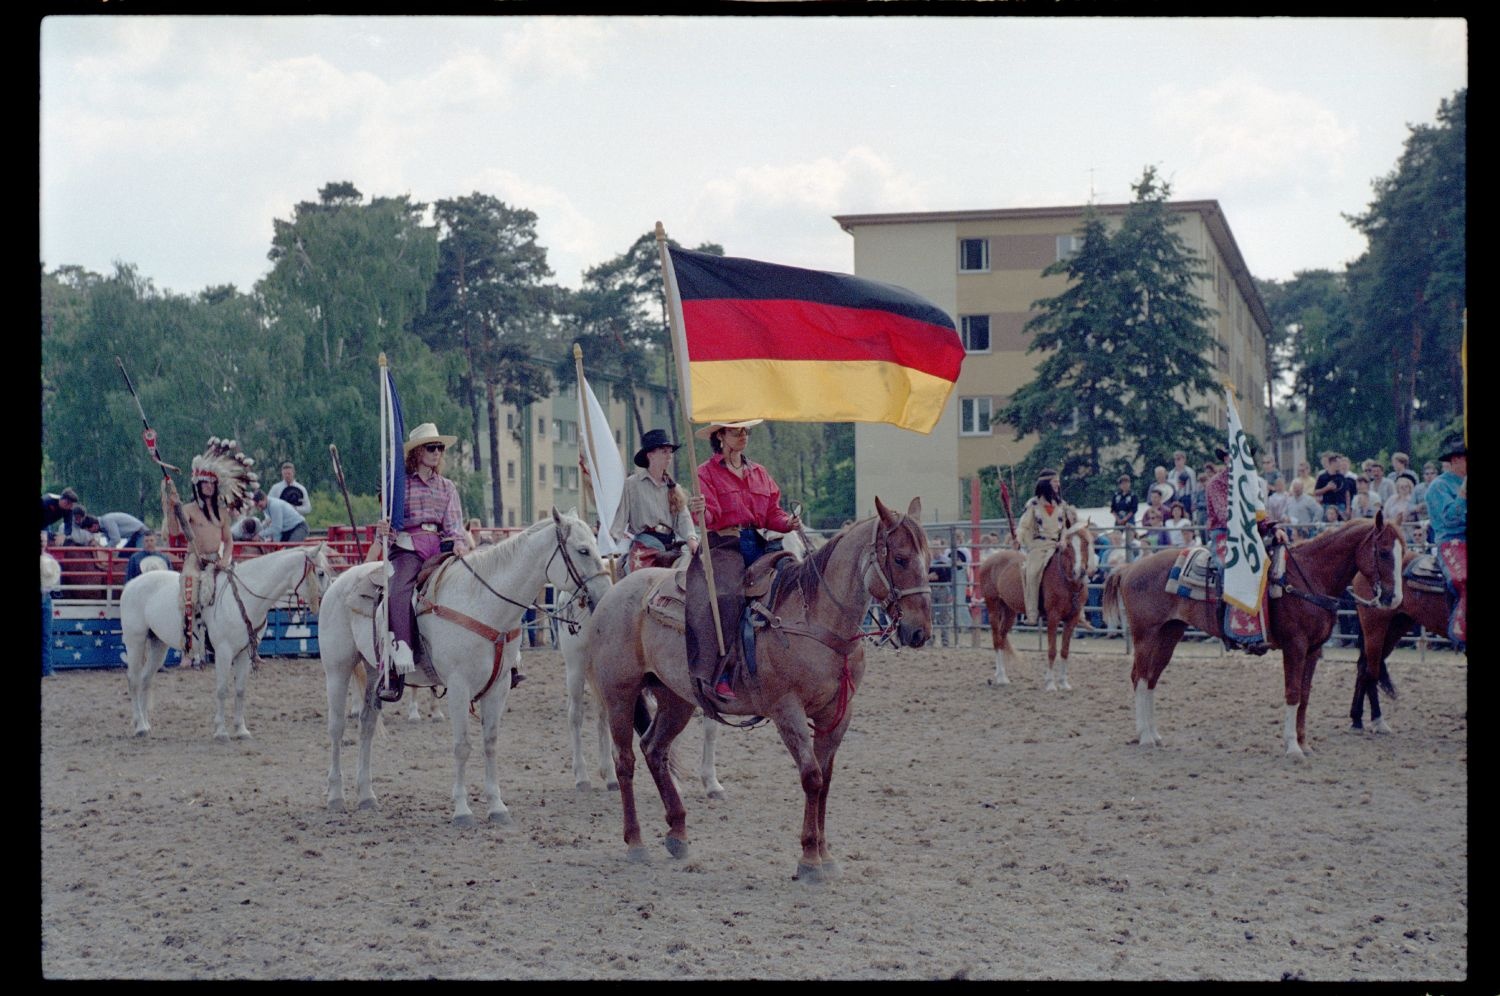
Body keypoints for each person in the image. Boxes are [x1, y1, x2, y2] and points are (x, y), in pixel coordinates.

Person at [687, 418, 800, 699]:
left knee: (793, 578)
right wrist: (698, 510)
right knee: (726, 595)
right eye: (736, 431)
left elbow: (772, 512)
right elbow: (709, 518)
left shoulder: (759, 472)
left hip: (758, 541)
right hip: (724, 543)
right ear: (720, 436)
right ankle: (720, 673)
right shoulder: (705, 473)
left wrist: (788, 522)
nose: (743, 435)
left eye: (745, 431)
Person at [375, 422, 472, 700]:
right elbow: (391, 525)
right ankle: (397, 660)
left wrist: (460, 546)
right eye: (432, 447)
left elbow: (455, 527)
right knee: (398, 592)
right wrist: (384, 530)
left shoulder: (447, 487)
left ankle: (499, 659)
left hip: (439, 550)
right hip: (407, 548)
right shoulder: (400, 486)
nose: (437, 452)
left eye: (440, 448)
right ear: (417, 453)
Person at [161, 437, 257, 668]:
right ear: (197, 485)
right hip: (195, 559)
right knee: (190, 590)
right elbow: (174, 531)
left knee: (237, 592)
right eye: (204, 484)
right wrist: (170, 505)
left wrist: (225, 559)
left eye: (212, 484)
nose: (208, 487)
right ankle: (188, 647)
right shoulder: (189, 510)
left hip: (217, 559)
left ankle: (244, 642)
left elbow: (229, 541)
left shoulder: (222, 513)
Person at [611, 428, 699, 575]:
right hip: (644, 547)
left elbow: (683, 518)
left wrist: (691, 538)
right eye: (664, 451)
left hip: (670, 547)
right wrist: (611, 542)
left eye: (670, 452)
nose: (669, 456)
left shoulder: (673, 487)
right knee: (639, 581)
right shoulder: (632, 484)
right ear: (650, 454)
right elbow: (620, 518)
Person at [1424, 434, 1466, 645]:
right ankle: (1462, 630)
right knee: (1463, 578)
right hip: (1452, 541)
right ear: (1456, 460)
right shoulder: (1438, 487)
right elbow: (1449, 521)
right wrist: (1463, 495)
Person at [1017, 473, 1076, 623]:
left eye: (1058, 482)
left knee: (1076, 568)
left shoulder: (1061, 504)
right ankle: (1031, 612)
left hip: (1058, 544)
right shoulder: (1033, 504)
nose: (1058, 484)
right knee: (1032, 572)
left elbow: (1064, 527)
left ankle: (1077, 610)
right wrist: (1019, 538)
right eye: (1054, 482)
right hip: (1039, 546)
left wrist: (1063, 540)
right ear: (1045, 484)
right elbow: (1024, 525)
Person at [1170, 451, 1195, 515]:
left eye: (1178, 459)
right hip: (1175, 499)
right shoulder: (1171, 473)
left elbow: (1194, 489)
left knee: (1187, 517)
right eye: (1175, 459)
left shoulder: (1190, 472)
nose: (1176, 461)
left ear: (1184, 459)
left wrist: (1193, 503)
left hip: (1186, 498)